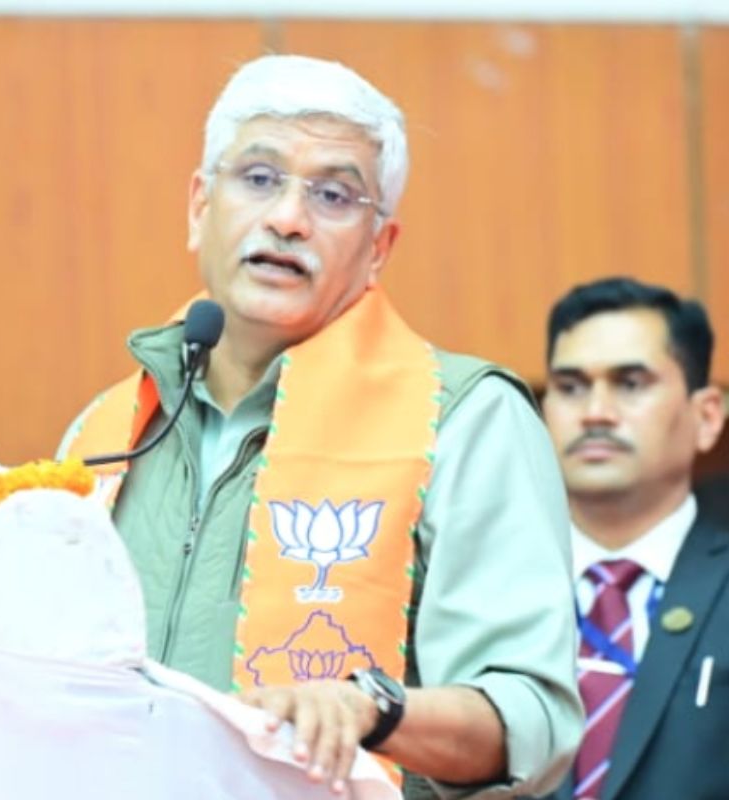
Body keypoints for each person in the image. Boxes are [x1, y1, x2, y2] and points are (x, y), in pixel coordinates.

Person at [61, 55, 581, 799]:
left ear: (379, 249)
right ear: (200, 208)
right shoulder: (108, 430)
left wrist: (371, 710)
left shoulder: (467, 420)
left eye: (334, 194)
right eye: (259, 178)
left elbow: (530, 722)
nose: (287, 219)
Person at [540, 277, 729, 800]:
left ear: (706, 417)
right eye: (570, 387)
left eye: (630, 383)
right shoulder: (485, 585)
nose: (595, 412)